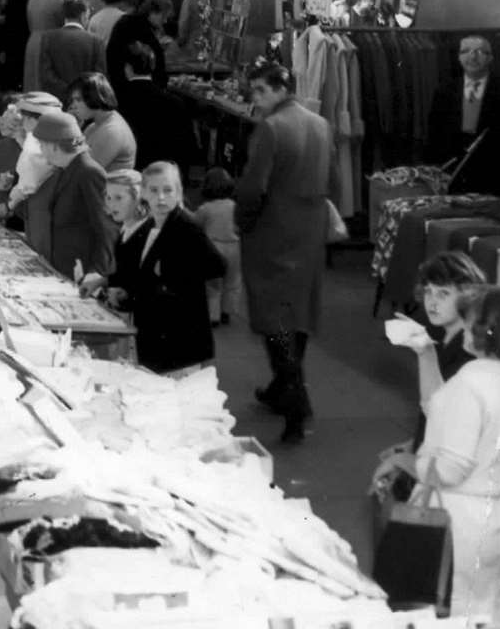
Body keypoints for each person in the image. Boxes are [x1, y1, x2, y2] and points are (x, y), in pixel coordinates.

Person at [416, 285, 500, 622]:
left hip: (459, 516)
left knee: (445, 614)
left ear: (485, 329)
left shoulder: (469, 384)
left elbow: (451, 468)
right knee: (488, 609)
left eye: (470, 321)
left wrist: (418, 464)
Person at [237, 63, 332, 444]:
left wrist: (243, 221)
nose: (255, 99)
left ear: (280, 89)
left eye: (260, 91)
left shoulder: (271, 128)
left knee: (273, 312)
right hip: (309, 231)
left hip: (273, 230)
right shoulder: (320, 124)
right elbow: (333, 180)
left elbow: (252, 187)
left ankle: (295, 398)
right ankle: (283, 389)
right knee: (299, 312)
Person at [87, 163, 222, 374]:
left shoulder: (185, 226)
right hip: (155, 335)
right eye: (154, 191)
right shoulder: (151, 227)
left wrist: (170, 277)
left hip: (179, 340)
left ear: (178, 192)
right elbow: (138, 274)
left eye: (168, 190)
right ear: (144, 193)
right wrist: (107, 282)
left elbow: (217, 266)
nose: (161, 198)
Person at [19, 110, 117, 281]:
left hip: (81, 271)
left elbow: (107, 228)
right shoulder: (64, 168)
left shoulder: (88, 172)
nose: (41, 150)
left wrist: (96, 273)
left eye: (42, 145)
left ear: (54, 146)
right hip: (61, 267)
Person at [426, 34, 500, 200]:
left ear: (490, 58)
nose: (472, 56)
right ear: (458, 57)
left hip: (494, 176)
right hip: (453, 176)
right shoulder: (444, 91)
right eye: (466, 51)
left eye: (480, 51)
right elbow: (434, 133)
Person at [395, 252, 487, 407]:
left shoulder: (471, 348)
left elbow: (437, 410)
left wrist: (426, 354)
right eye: (428, 291)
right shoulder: (437, 332)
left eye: (443, 294)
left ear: (468, 296)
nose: (432, 302)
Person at [116, 43, 198, 174]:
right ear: (153, 66)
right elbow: (189, 146)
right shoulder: (175, 102)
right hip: (167, 173)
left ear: (128, 68)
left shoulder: (118, 101)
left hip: (131, 173)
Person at [27, 0, 106, 101]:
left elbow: (46, 74)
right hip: (85, 101)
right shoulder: (96, 41)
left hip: (56, 99)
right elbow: (99, 75)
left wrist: (66, 90)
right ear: (83, 16)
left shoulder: (48, 37)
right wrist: (80, 91)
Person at [192, 168, 242, 327]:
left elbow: (195, 224)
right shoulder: (235, 207)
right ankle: (227, 311)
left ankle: (213, 316)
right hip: (234, 246)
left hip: (213, 246)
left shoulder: (206, 208)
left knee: (213, 284)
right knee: (232, 281)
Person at [67, 72, 137, 172]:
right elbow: (72, 156)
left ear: (93, 97)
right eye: (73, 100)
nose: (73, 106)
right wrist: (75, 128)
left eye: (78, 100)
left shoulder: (111, 131)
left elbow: (82, 172)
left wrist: (71, 129)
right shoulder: (94, 125)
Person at [7, 93, 65, 213]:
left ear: (33, 120)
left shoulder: (34, 145)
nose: (21, 121)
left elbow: (27, 184)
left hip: (40, 203)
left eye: (24, 117)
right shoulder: (57, 133)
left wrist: (9, 204)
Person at [104, 0, 172, 87]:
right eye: (164, 17)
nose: (165, 21)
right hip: (132, 85)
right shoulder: (137, 26)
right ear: (153, 12)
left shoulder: (132, 23)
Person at [0, 94, 24, 221]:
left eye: (6, 117)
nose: (0, 122)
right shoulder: (2, 147)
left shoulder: (5, 147)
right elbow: (0, 186)